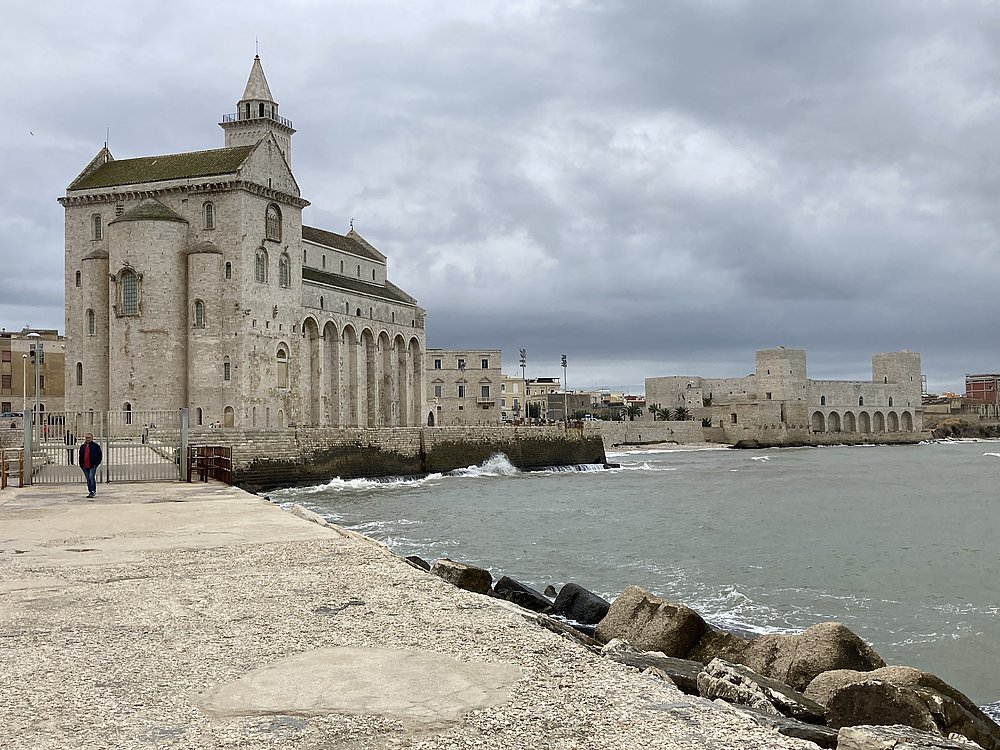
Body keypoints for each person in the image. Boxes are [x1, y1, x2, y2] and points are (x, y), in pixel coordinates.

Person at [78, 433, 103, 499]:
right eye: (87, 437)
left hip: (92, 465)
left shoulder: (96, 446)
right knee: (88, 479)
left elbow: (99, 455)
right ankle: (90, 491)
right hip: (84, 465)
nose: (88, 439)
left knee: (91, 477)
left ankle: (93, 491)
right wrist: (81, 464)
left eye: (89, 437)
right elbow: (80, 455)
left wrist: (96, 463)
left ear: (92, 438)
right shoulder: (82, 446)